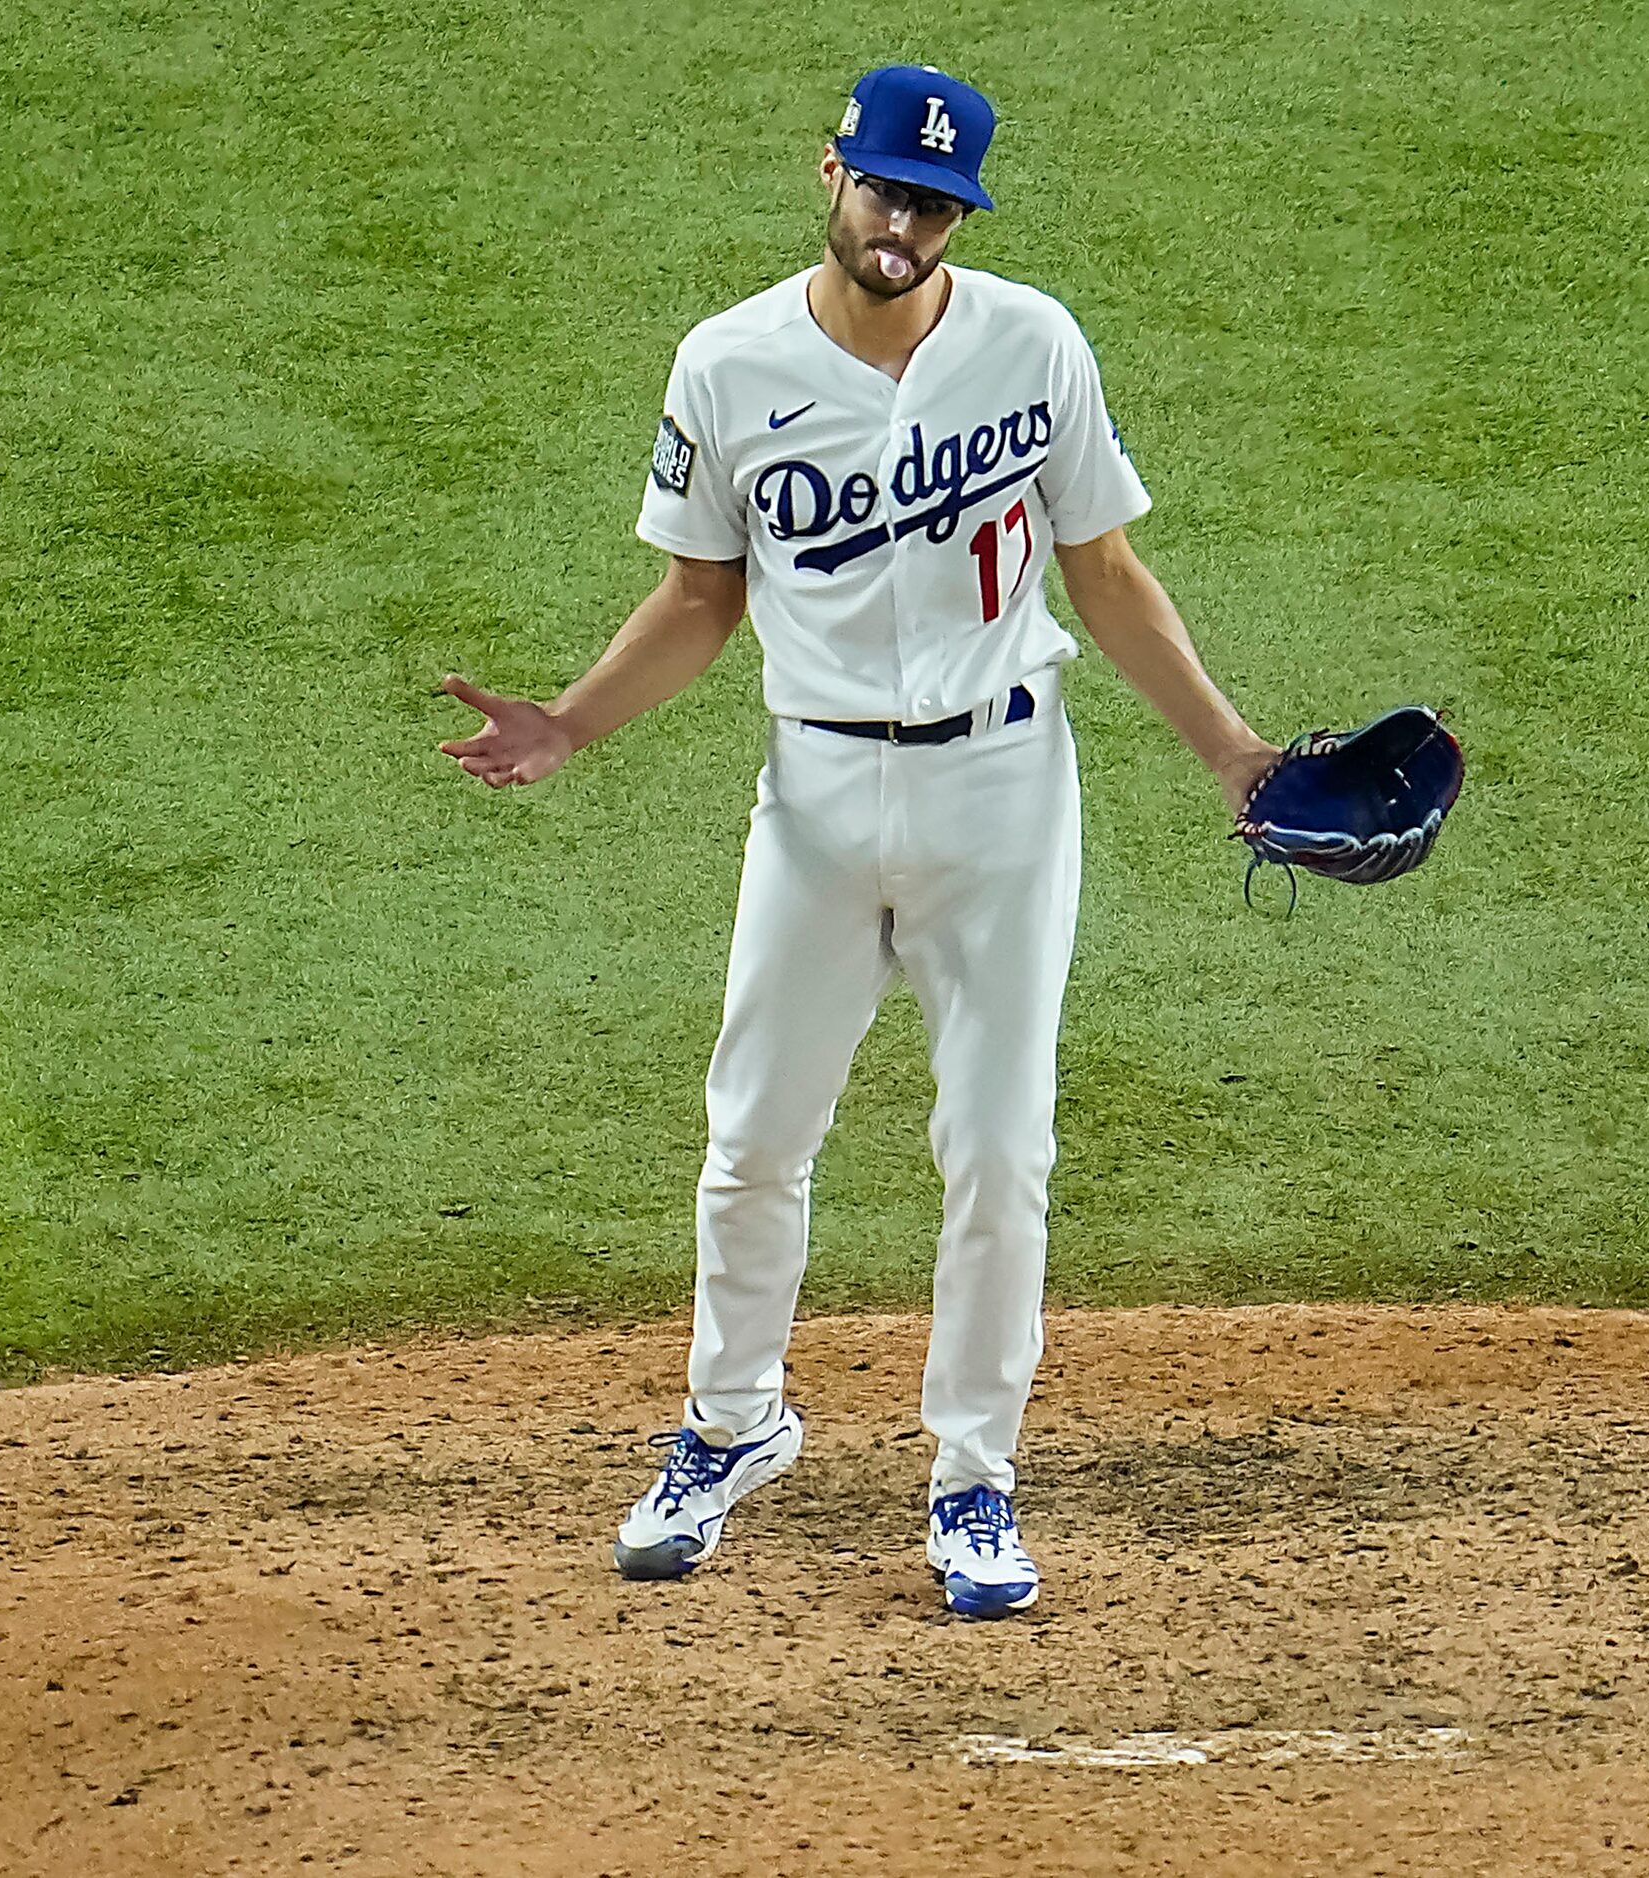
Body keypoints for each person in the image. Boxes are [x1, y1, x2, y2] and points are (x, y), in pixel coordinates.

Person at [435, 63, 1275, 1617]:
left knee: (999, 1151)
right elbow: (700, 597)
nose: (905, 224)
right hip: (814, 793)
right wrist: (570, 723)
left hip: (1004, 794)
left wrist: (1225, 746)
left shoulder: (1033, 343)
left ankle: (972, 1480)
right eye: (886, 189)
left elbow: (1103, 567)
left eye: (937, 204)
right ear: (829, 172)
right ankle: (730, 1427)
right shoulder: (728, 363)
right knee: (753, 1133)